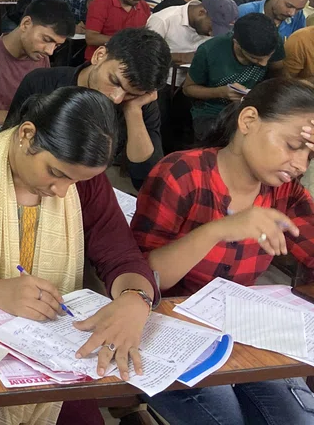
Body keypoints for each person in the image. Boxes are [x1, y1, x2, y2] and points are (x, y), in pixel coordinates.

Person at [0, 88, 157, 425]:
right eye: (56, 173)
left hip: (55, 346)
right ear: (26, 135)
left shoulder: (83, 183)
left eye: (77, 180)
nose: (63, 192)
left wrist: (134, 299)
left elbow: (122, 257)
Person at [133, 78, 314, 425]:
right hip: (163, 327)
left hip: (239, 325)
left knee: (296, 419)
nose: (301, 165)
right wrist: (218, 230)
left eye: (309, 154)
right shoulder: (181, 173)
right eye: (292, 145)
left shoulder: (285, 192)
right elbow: (142, 278)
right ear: (248, 122)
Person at [10, 27, 171, 184]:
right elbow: (9, 144)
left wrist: (133, 111)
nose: (116, 98)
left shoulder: (139, 103)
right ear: (99, 55)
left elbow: (145, 178)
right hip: (35, 182)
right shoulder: (42, 83)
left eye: (131, 93)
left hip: (91, 186)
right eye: (114, 81)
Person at [183, 13, 282, 141]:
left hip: (254, 108)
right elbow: (188, 89)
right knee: (222, 142)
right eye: (255, 58)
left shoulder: (272, 42)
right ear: (236, 44)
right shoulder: (210, 50)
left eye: (269, 57)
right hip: (213, 112)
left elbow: (279, 73)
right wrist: (221, 92)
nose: (264, 64)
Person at [0, 0, 76, 116]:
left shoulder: (41, 58)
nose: (50, 51)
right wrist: (26, 117)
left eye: (57, 45)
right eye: (46, 39)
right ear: (26, 24)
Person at [84, 0, 152, 59]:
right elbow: (91, 38)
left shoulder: (144, 7)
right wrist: (124, 41)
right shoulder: (101, 3)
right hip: (100, 62)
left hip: (131, 63)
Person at [145, 0, 214, 72]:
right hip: (164, 79)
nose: (211, 34)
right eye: (211, 28)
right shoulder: (163, 19)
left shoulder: (213, 23)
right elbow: (146, 55)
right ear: (201, 12)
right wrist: (182, 57)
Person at [237, 0, 312, 39]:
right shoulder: (245, 12)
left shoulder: (298, 16)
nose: (292, 13)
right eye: (288, 5)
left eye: (298, 9)